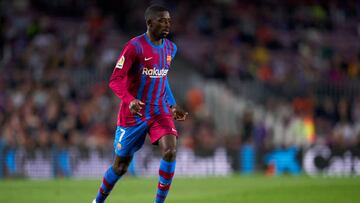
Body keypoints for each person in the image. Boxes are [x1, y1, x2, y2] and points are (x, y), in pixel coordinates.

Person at [92, 4, 188, 203]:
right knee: (120, 167)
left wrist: (172, 105)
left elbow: (162, 78)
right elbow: (115, 80)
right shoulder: (134, 46)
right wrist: (130, 101)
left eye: (169, 20)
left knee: (170, 151)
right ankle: (98, 201)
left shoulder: (171, 48)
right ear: (149, 22)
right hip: (133, 114)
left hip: (159, 110)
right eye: (162, 20)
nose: (167, 24)